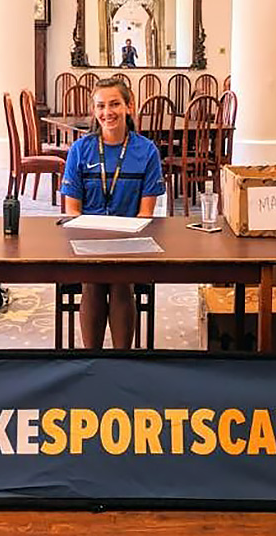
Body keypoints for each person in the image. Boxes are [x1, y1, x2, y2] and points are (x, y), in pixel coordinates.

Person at [60, 78, 165, 349]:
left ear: (129, 106)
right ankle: (92, 359)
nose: (107, 112)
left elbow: (146, 214)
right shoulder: (80, 150)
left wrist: (124, 242)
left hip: (131, 239)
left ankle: (122, 361)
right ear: (94, 111)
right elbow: (72, 210)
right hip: (87, 236)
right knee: (93, 281)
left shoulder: (147, 151)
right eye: (101, 106)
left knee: (121, 280)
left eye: (115, 104)